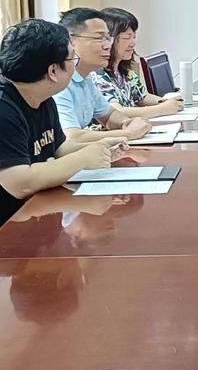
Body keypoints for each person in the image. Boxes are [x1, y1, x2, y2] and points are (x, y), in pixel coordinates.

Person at [0, 19, 125, 225]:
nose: (75, 66)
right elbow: (18, 183)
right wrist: (82, 160)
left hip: (36, 215)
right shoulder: (4, 109)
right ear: (53, 71)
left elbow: (57, 148)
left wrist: (100, 146)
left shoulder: (44, 99)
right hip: (11, 227)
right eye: (72, 59)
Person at [54, 8, 151, 143]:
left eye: (108, 38)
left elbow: (109, 115)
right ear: (70, 41)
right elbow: (72, 137)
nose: (107, 46)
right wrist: (128, 133)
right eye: (99, 38)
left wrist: (127, 123)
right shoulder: (59, 83)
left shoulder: (85, 78)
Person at [91, 7, 183, 119]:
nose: (133, 43)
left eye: (134, 37)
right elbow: (115, 112)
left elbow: (142, 97)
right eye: (126, 38)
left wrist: (167, 102)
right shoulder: (97, 74)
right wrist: (163, 108)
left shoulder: (123, 72)